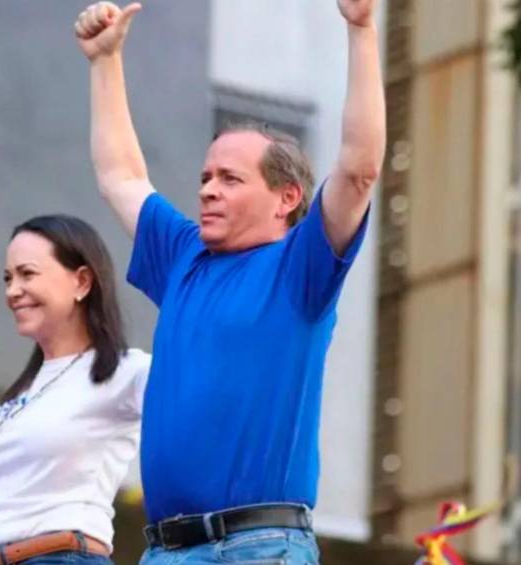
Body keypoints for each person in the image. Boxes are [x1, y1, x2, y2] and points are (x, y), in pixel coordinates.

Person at [74, 1, 386, 563]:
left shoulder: (301, 268)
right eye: (205, 177)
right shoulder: (184, 255)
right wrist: (105, 61)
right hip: (164, 550)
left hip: (258, 547)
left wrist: (361, 30)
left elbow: (359, 169)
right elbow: (120, 175)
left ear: (288, 199)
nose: (208, 190)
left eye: (230, 178)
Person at [0, 215, 150, 565]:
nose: (12, 290)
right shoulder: (23, 390)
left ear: (82, 281)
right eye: (8, 278)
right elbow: (19, 520)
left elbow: (211, 405)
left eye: (27, 274)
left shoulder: (125, 370)